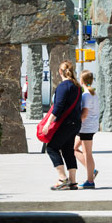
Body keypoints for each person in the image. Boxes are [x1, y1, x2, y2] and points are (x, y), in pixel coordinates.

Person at [43, 61, 82, 190]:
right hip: (75, 123)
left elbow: (58, 107)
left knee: (52, 148)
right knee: (68, 150)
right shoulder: (77, 86)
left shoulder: (63, 86)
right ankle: (73, 181)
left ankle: (62, 178)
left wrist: (48, 123)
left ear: (60, 71)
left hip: (65, 123)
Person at [74, 70, 99, 189]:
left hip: (86, 127)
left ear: (82, 80)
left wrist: (76, 125)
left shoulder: (86, 95)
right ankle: (91, 171)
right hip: (90, 126)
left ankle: (90, 181)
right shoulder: (92, 93)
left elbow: (84, 114)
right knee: (73, 148)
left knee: (87, 153)